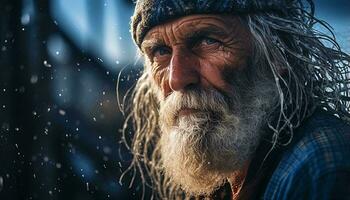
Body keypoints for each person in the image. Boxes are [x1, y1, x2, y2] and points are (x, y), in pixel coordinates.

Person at [120, 0, 350, 199]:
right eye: (161, 52)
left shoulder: (320, 167)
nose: (177, 78)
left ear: (277, 52)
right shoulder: (227, 172)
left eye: (207, 41)